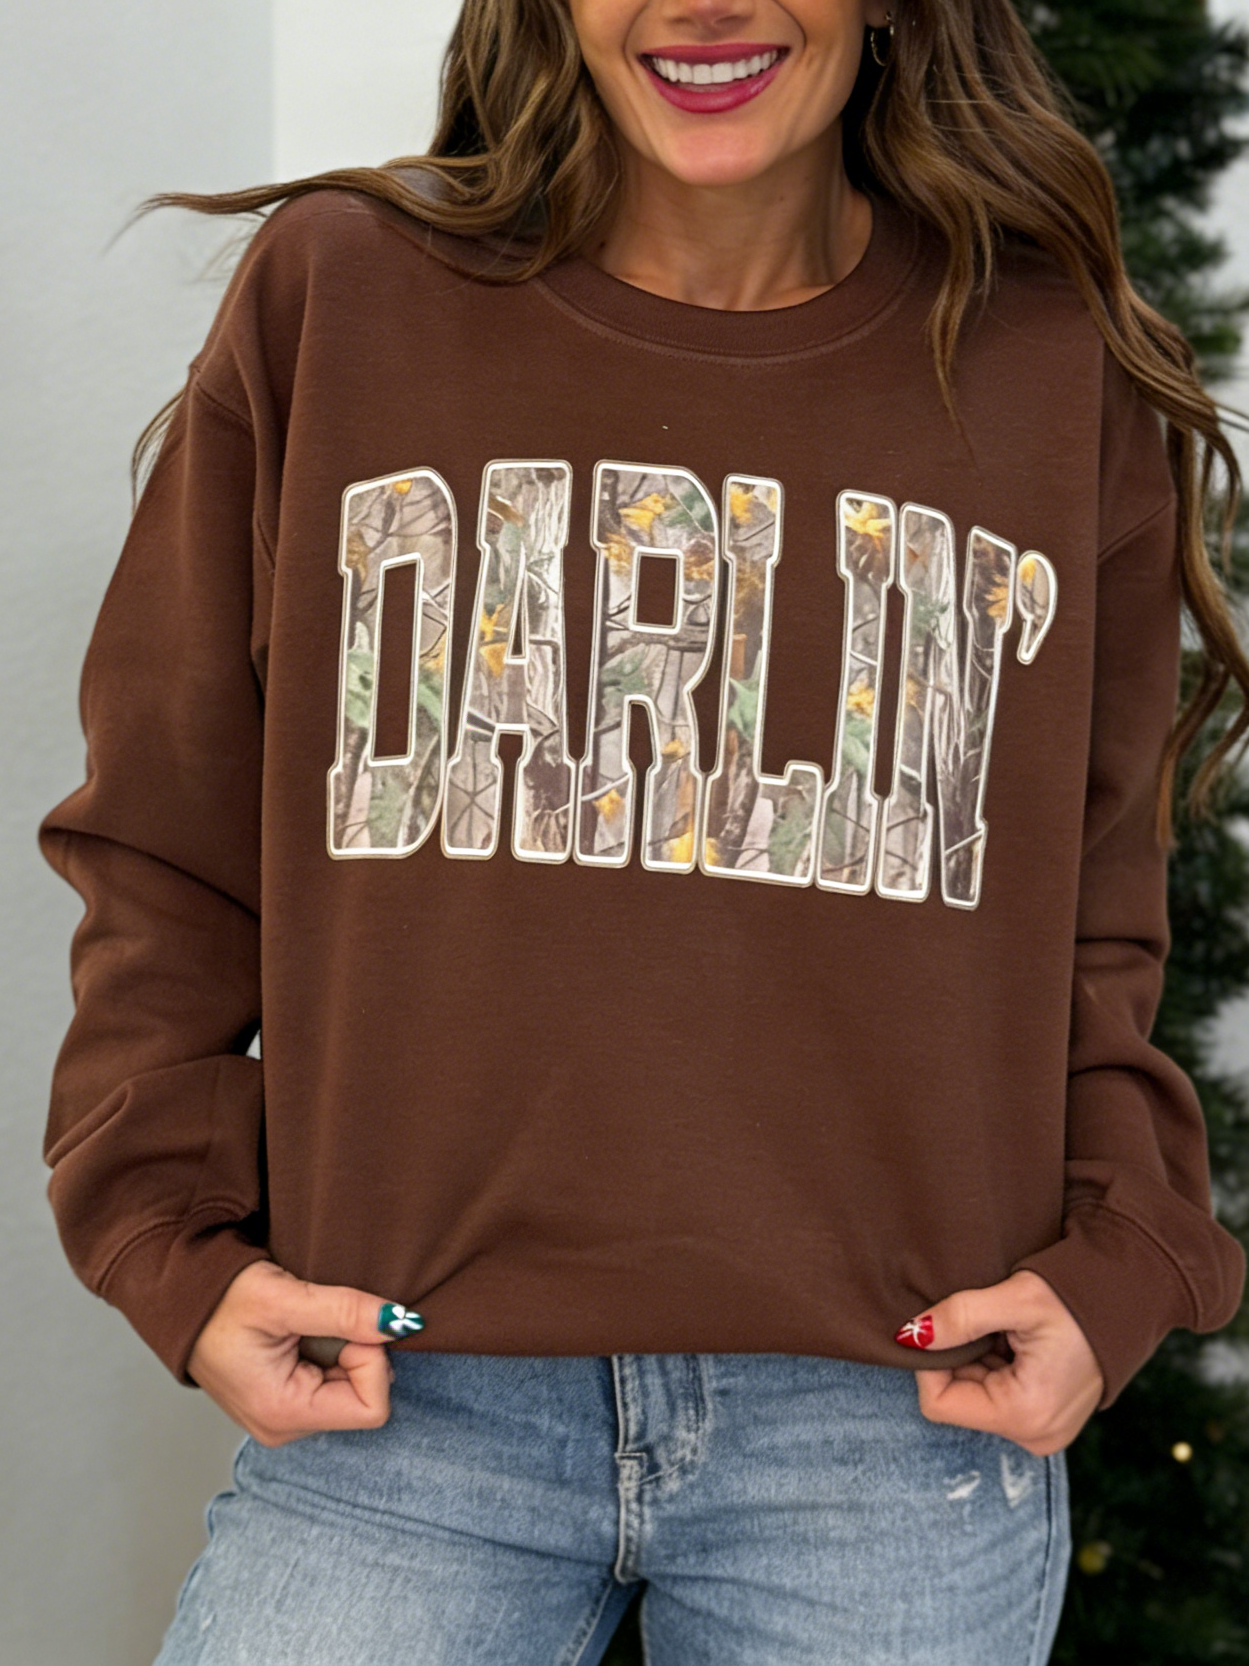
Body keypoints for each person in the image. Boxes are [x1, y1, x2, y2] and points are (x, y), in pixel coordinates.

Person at [37, 1, 1249, 1662]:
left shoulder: (1046, 366)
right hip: (409, 1398)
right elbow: (165, 833)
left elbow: (1093, 912)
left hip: (889, 1416)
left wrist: (1119, 1254)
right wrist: (167, 1233)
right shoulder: (342, 300)